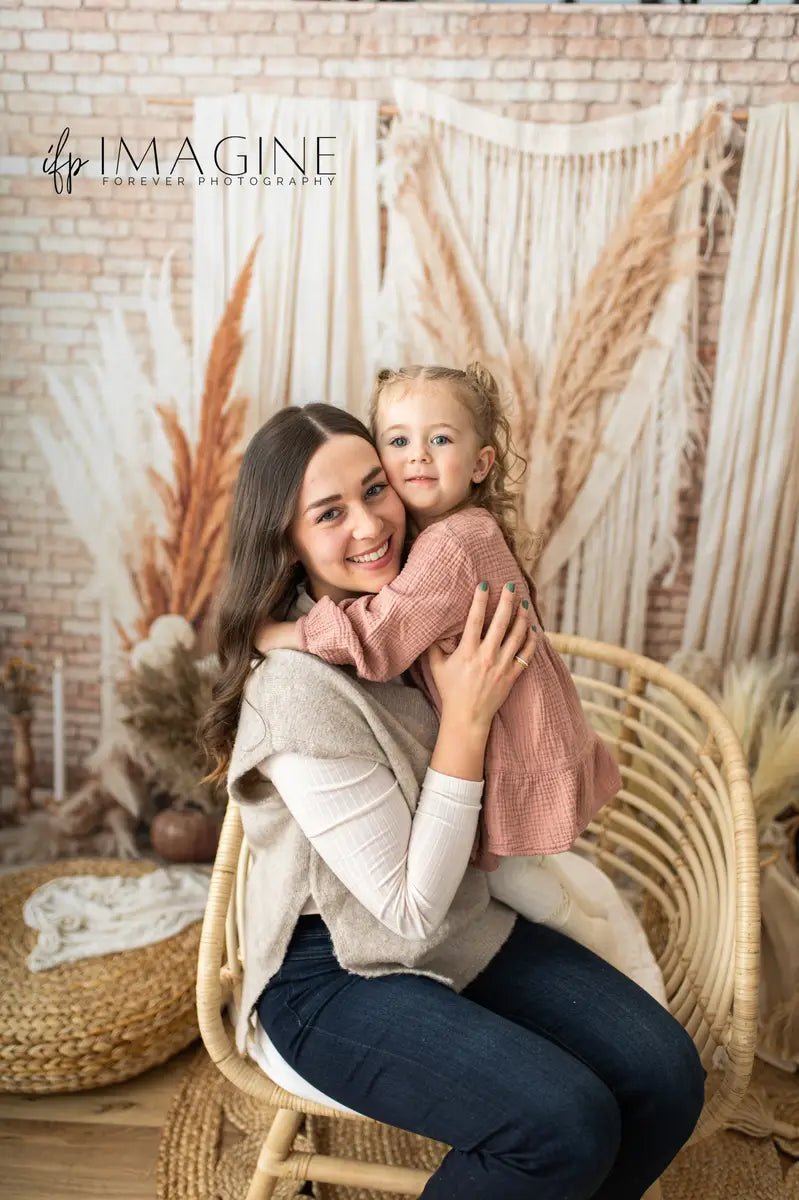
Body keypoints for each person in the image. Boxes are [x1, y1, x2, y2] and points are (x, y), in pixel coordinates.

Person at [199, 403, 705, 1200]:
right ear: (285, 541)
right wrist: (463, 722)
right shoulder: (296, 695)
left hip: (462, 925)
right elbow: (407, 912)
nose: (370, 525)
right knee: (561, 1124)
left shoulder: (407, 609)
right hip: (333, 973)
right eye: (330, 513)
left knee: (665, 1074)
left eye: (376, 489)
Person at [253, 363, 621, 875]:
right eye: (399, 441)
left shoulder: (451, 543)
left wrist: (284, 633)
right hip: (507, 739)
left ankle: (607, 939)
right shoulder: (441, 538)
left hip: (519, 745)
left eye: (441, 438)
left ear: (479, 464)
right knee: (536, 888)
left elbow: (380, 636)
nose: (419, 455)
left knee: (546, 897)